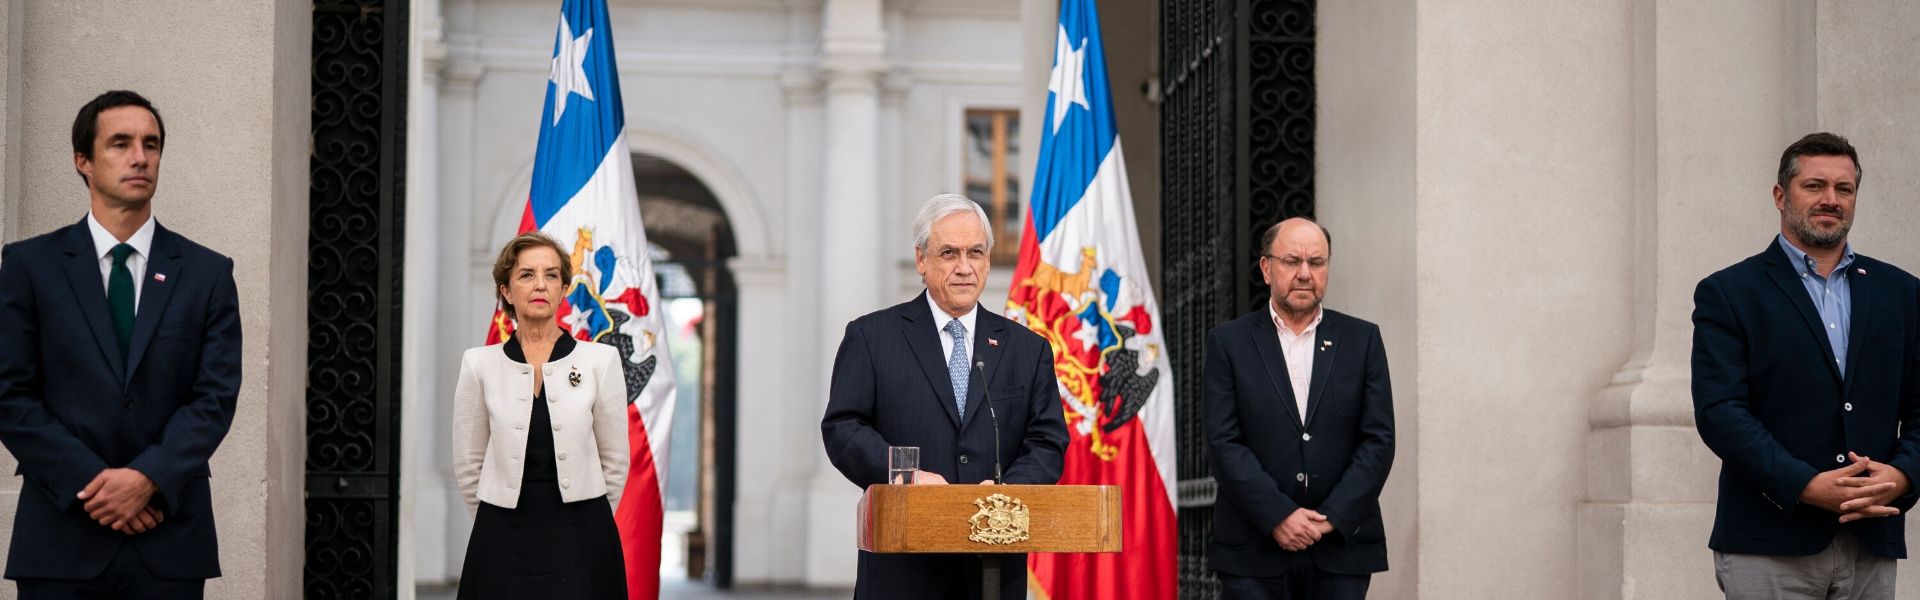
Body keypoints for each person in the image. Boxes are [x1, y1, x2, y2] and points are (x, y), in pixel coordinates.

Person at [0, 90, 243, 598]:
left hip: (169, 538)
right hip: (61, 539)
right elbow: (10, 395)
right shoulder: (29, 267)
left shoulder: (207, 273)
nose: (140, 157)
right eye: (120, 143)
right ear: (82, 161)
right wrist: (96, 485)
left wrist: (147, 478)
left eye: (151, 144)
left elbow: (214, 399)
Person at [1692, 132, 1920, 599]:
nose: (1830, 200)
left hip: (1870, 545)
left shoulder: (1903, 292)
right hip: (1769, 542)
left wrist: (1902, 476)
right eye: (1814, 186)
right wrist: (1804, 485)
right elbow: (1721, 412)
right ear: (1781, 195)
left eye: (1844, 189)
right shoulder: (1730, 293)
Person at [821, 193, 1068, 599]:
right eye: (949, 253)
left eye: (975, 253)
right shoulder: (871, 337)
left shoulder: (1028, 349)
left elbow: (1048, 442)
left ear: (988, 260)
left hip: (992, 568)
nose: (964, 268)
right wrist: (906, 478)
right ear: (921, 260)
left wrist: (1004, 492)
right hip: (903, 567)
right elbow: (844, 429)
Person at [1203, 217, 1394, 600]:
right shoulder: (1229, 343)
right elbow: (1223, 442)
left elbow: (1378, 441)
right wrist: (1277, 515)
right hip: (1253, 552)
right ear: (1266, 267)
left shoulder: (1363, 340)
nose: (1305, 273)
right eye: (1292, 261)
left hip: (1341, 549)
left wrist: (1330, 519)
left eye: (1317, 262)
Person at [452, 232, 630, 598]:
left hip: (583, 533)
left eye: (551, 275)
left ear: (565, 288)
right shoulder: (479, 364)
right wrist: (494, 517)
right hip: (502, 534)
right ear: (505, 289)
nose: (540, 285)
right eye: (526, 275)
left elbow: (615, 460)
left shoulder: (600, 361)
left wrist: (589, 514)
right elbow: (469, 464)